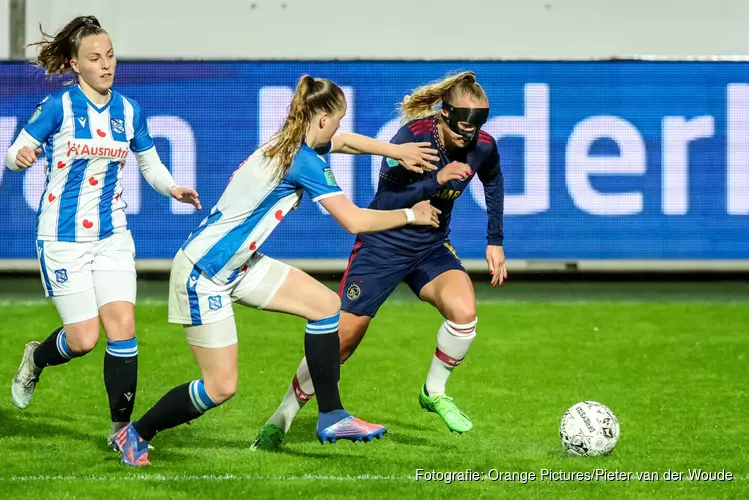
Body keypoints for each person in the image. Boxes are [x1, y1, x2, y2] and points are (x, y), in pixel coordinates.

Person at [113, 74, 442, 466]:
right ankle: (135, 434)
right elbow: (353, 221)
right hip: (203, 274)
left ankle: (332, 415)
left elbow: (349, 141)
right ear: (321, 118)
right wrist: (410, 214)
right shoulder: (303, 160)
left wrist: (395, 150)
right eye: (337, 118)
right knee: (221, 387)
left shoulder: (294, 138)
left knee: (324, 306)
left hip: (237, 265)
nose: (339, 126)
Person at [252, 71, 506, 451]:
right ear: (444, 115)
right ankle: (281, 419)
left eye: (475, 129)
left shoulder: (481, 144)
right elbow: (385, 202)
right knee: (342, 341)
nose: (468, 138)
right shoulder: (413, 139)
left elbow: (493, 178)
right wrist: (437, 178)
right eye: (461, 129)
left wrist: (495, 240)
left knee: (464, 312)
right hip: (382, 244)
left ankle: (433, 392)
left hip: (431, 245)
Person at [5, 15, 201, 448]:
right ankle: (36, 358)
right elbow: (16, 150)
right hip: (61, 238)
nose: (106, 64)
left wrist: (173, 187)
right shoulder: (58, 107)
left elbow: (149, 163)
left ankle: (121, 431)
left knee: (123, 328)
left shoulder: (129, 111)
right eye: (95, 58)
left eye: (110, 55)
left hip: (113, 235)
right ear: (75, 65)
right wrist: (19, 158)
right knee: (83, 339)